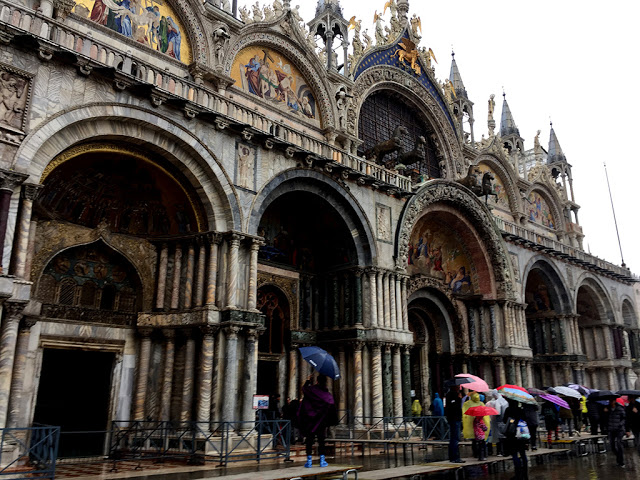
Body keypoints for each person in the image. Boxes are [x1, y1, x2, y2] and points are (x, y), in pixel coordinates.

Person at [298, 375, 337, 468]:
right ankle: (322, 461)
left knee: (309, 440)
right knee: (321, 441)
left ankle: (309, 461)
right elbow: (331, 404)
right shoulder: (327, 394)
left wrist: (307, 380)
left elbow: (304, 389)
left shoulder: (311, 390)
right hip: (321, 421)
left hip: (310, 420)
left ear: (317, 381)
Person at [504, 399, 528, 480]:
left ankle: (517, 469)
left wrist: (512, 420)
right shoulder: (520, 410)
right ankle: (525, 469)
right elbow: (525, 419)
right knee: (522, 452)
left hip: (512, 435)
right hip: (521, 433)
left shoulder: (508, 410)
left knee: (514, 453)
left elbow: (505, 420)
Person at [462, 392, 489, 459]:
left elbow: (465, 414)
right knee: (482, 443)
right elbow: (485, 415)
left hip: (472, 424)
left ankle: (476, 454)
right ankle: (483, 455)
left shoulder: (467, 403)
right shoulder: (481, 404)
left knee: (474, 440)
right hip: (480, 427)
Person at [445, 386, 465, 463]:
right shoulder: (452, 395)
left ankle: (452, 457)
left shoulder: (450, 394)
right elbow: (454, 407)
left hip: (453, 419)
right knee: (455, 438)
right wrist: (459, 399)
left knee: (454, 438)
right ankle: (455, 457)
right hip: (454, 419)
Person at [486, 389, 507, 456]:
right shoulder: (504, 401)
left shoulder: (497, 402)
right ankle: (505, 451)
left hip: (498, 421)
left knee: (499, 437)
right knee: (503, 436)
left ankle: (500, 451)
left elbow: (498, 412)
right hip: (504, 421)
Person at [607, 397, 626, 467]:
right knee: (612, 445)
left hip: (619, 429)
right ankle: (619, 458)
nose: (611, 402)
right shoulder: (607, 408)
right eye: (610, 401)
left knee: (619, 443)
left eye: (612, 401)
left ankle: (621, 461)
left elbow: (624, 418)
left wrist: (620, 424)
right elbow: (604, 418)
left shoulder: (620, 408)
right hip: (611, 429)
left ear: (615, 401)